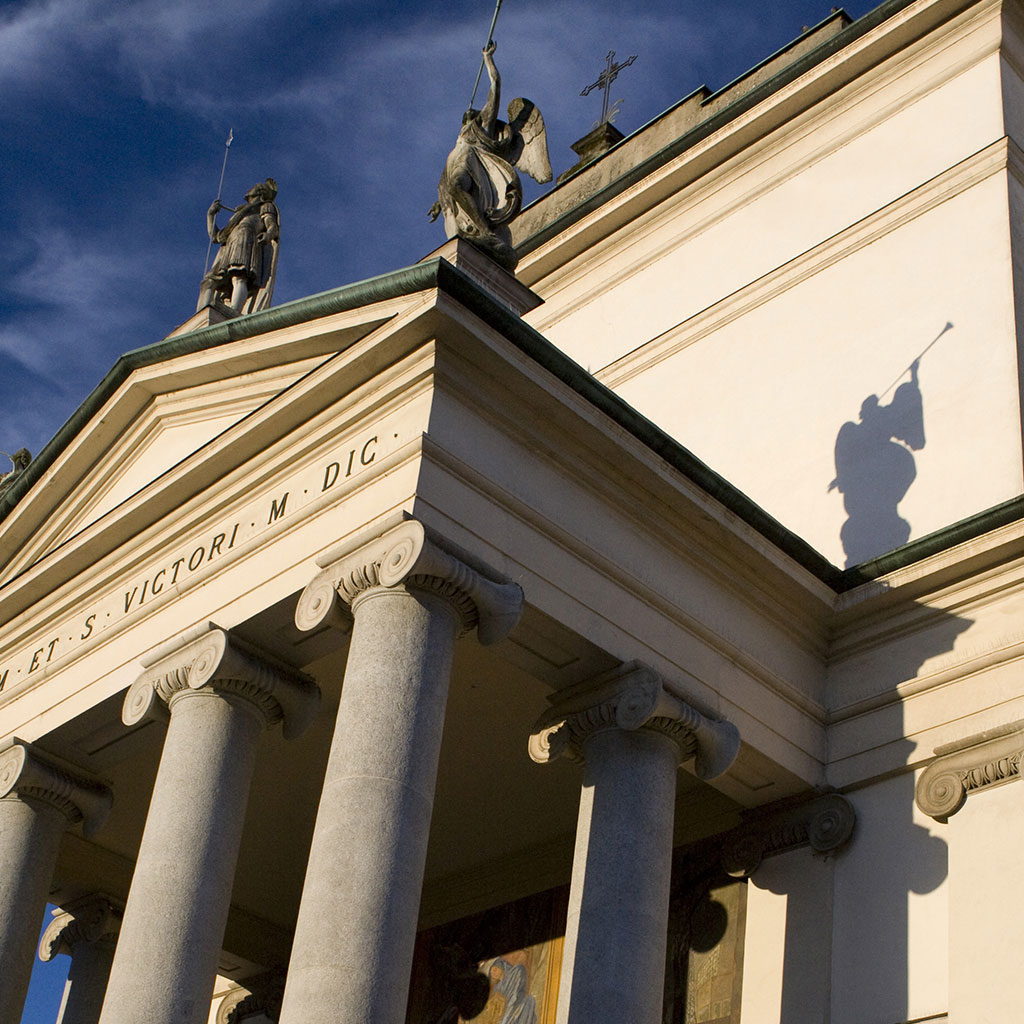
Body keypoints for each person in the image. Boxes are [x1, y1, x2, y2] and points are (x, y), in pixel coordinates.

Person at [430, 42, 550, 271]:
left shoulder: (481, 127)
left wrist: (488, 59)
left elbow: (495, 86)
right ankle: (477, 233)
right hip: (459, 162)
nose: (466, 114)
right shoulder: (461, 137)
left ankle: (484, 232)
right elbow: (447, 176)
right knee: (453, 193)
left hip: (470, 162)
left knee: (457, 186)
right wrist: (440, 201)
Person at [197, 178, 279, 314]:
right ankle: (200, 318)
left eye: (254, 187)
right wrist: (210, 215)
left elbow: (272, 226)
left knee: (239, 276)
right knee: (208, 282)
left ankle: (234, 312)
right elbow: (216, 237)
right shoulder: (239, 214)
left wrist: (268, 235)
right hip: (230, 243)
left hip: (245, 238)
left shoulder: (264, 206)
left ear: (259, 192)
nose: (249, 189)